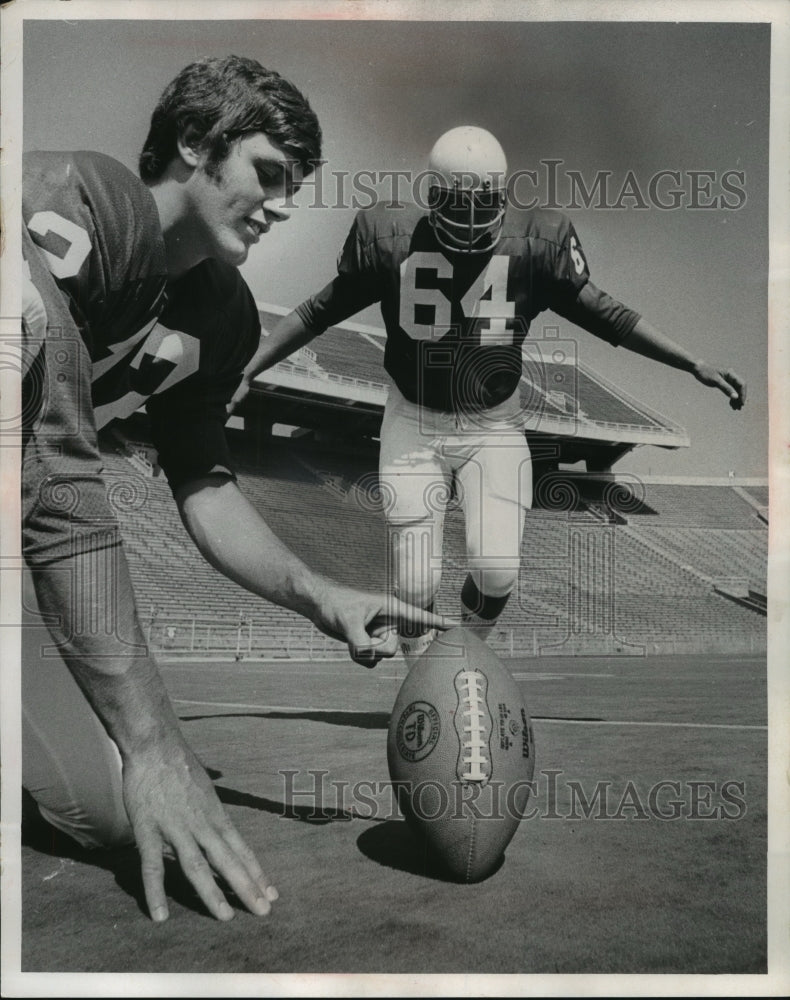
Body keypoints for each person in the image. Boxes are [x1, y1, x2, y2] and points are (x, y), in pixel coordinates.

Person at [21, 56, 449, 924]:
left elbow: (205, 484)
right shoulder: (68, 202)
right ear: (193, 141)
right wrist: (156, 743)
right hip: (27, 493)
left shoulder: (221, 314)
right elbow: (57, 482)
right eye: (269, 172)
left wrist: (318, 594)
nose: (283, 203)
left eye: (296, 185)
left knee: (103, 814)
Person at [230, 125, 747, 668]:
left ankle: (464, 660)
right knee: (414, 577)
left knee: (497, 569)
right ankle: (423, 675)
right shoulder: (388, 236)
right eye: (459, 206)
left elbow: (609, 316)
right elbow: (319, 311)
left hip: (493, 423)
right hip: (414, 418)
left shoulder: (537, 243)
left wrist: (693, 363)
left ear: (502, 197)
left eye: (484, 206)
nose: (472, 221)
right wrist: (251, 368)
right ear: (433, 198)